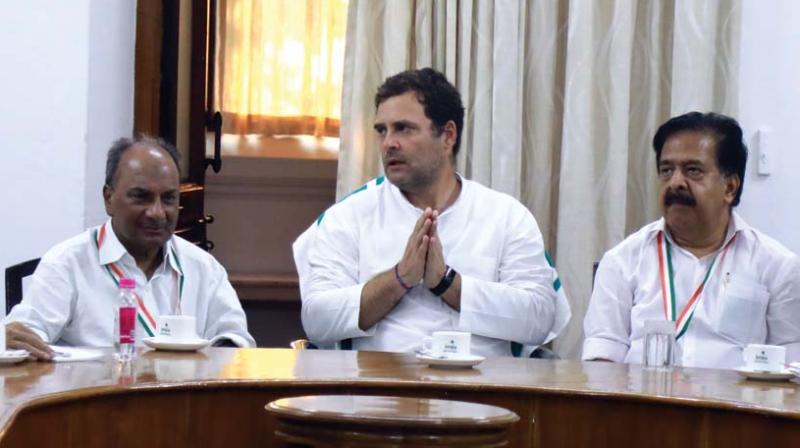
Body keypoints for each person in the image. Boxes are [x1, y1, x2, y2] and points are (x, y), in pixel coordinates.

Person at [295, 68, 570, 358]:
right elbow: (317, 320)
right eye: (382, 130)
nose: (388, 143)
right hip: (377, 394)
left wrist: (447, 283)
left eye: (403, 128)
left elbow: (539, 318)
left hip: (484, 395)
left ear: (448, 135)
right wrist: (399, 278)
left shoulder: (506, 216)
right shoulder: (349, 216)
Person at [583, 112, 800, 369]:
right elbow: (602, 358)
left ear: (730, 187)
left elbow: (792, 366)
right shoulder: (622, 261)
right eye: (666, 170)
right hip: (642, 405)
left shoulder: (777, 266)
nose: (675, 182)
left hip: (737, 407)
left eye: (693, 170)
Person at [6, 136, 255, 359]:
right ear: (108, 199)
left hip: (182, 402)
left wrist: (218, 355)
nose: (157, 213)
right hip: (94, 405)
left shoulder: (203, 267)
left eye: (169, 198)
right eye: (141, 197)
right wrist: (11, 339)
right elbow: (24, 335)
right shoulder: (68, 264)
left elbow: (236, 339)